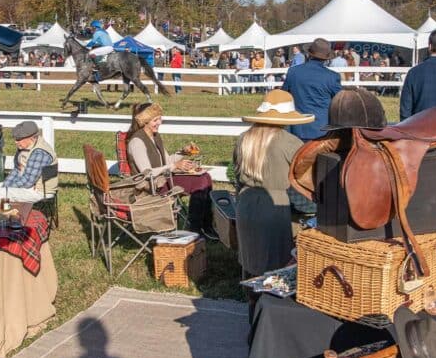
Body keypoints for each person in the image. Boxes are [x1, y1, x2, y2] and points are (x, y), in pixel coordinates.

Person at [232, 90, 315, 276]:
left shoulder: (244, 139)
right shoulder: (290, 143)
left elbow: (237, 177)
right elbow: (301, 183)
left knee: (250, 258)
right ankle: (268, 303)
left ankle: (250, 300)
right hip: (275, 206)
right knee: (275, 265)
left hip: (245, 203)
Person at [126, 102, 215, 237]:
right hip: (151, 186)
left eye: (160, 118)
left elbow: (167, 160)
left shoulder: (154, 136)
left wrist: (183, 152)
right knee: (200, 182)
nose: (159, 122)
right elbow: (147, 172)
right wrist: (174, 167)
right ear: (145, 121)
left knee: (206, 178)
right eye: (155, 120)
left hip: (163, 179)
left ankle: (206, 225)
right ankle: (195, 228)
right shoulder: (137, 141)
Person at [281, 38, 341, 141]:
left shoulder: (293, 71)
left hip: (296, 128)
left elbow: (284, 96)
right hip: (321, 130)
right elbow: (340, 101)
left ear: (309, 54)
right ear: (326, 58)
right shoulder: (332, 76)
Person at [0, 121, 57, 204]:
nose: (16, 142)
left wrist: (4, 189)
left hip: (40, 191)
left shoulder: (40, 153)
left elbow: (27, 182)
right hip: (28, 185)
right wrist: (4, 185)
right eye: (16, 139)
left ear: (31, 138)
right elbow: (17, 170)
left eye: (19, 139)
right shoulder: (25, 147)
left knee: (1, 193)